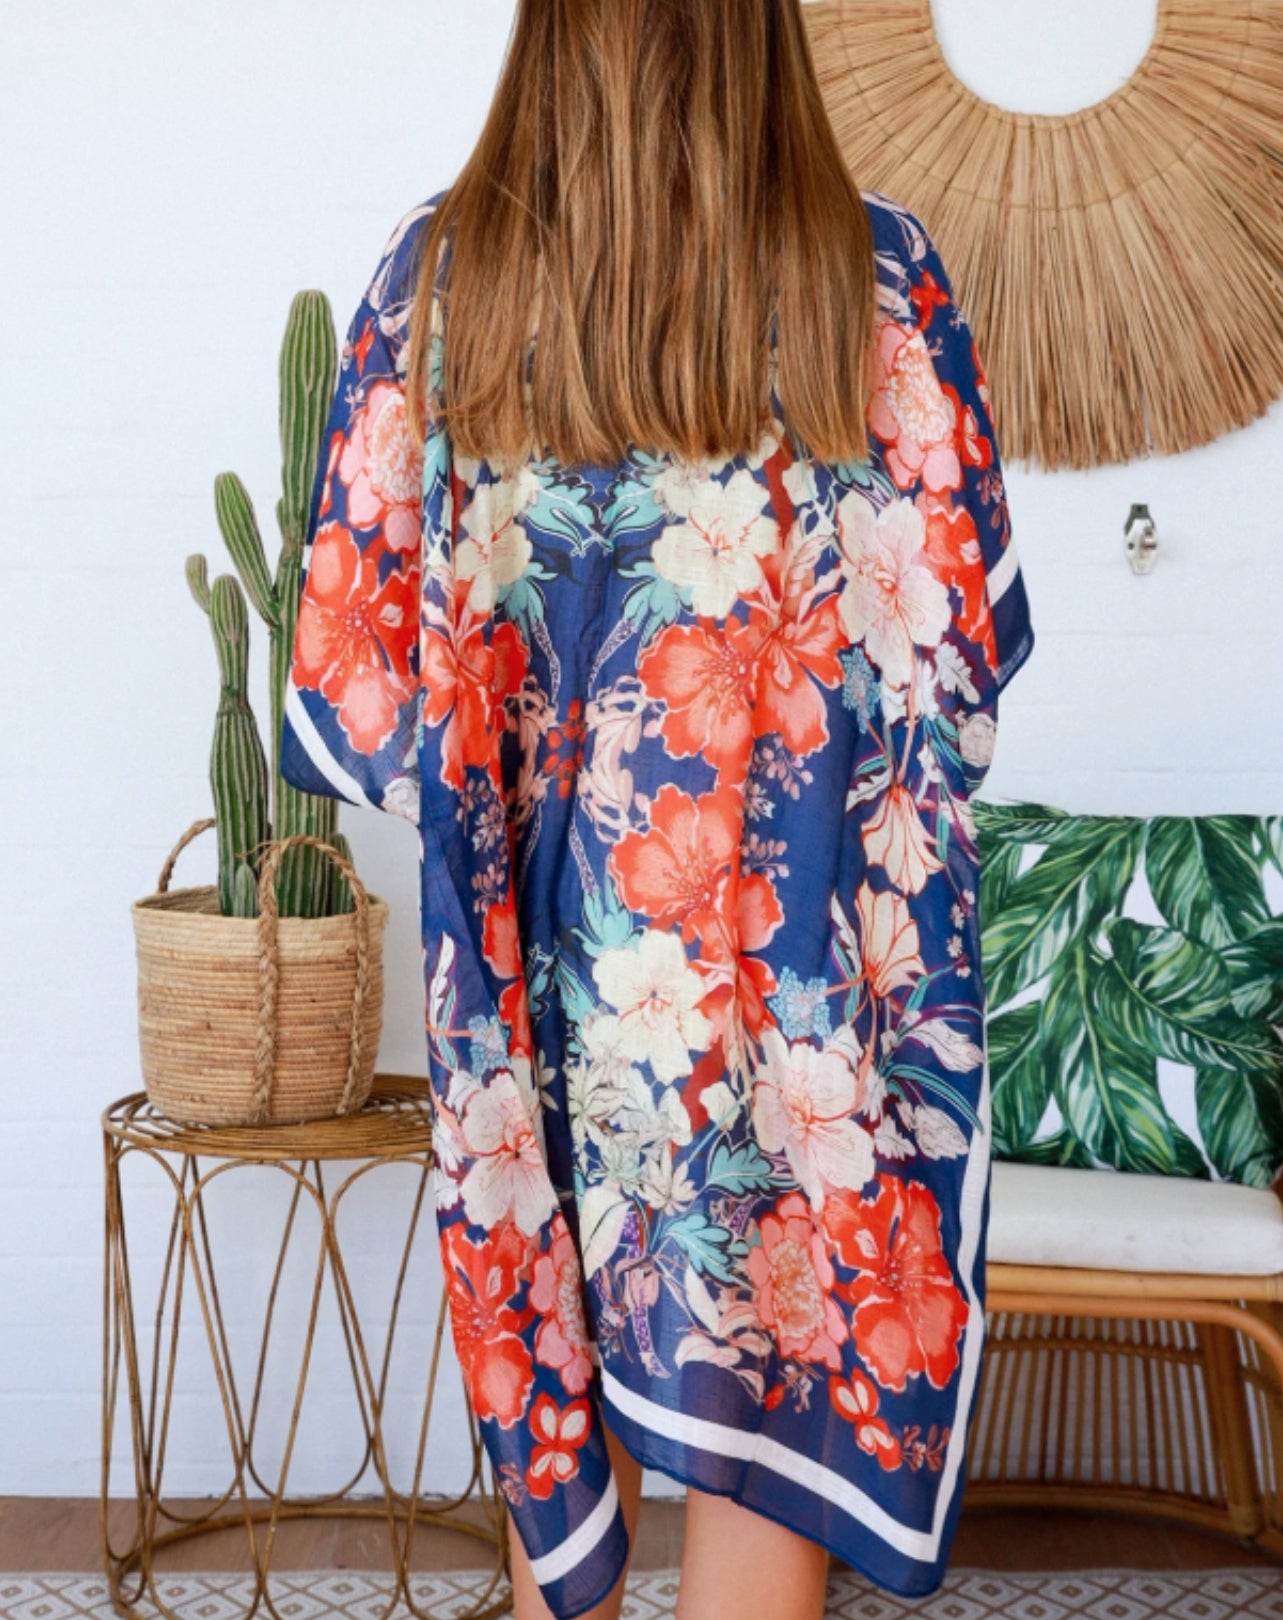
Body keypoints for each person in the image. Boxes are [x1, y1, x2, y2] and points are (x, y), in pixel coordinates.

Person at [280, 2, 1035, 1617]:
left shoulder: (438, 284)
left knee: (553, 1349)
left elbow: (359, 703)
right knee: (768, 1390)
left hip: (538, 1003)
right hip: (791, 1023)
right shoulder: (876, 276)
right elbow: (959, 662)